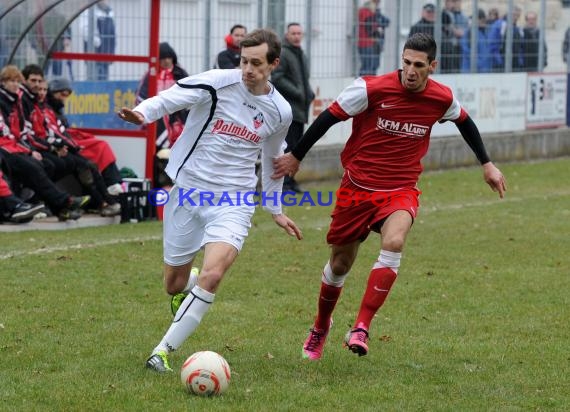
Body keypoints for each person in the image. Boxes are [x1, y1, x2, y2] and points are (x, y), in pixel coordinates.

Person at [272, 33, 506, 360]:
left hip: (400, 190)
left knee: (394, 242)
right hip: (357, 188)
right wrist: (297, 155)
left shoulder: (440, 98)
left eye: (419, 65)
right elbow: (329, 117)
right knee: (340, 265)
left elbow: (464, 122)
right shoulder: (371, 89)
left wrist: (487, 164)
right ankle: (321, 326)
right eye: (407, 62)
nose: (411, 71)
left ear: (432, 67)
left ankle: (361, 326)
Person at [118, 28, 302, 373]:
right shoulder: (218, 82)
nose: (248, 69)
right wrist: (143, 113)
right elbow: (171, 98)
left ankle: (162, 352)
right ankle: (188, 286)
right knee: (173, 284)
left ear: (274, 64)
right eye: (244, 61)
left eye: (257, 63)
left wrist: (275, 208)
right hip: (188, 193)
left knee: (214, 275)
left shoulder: (280, 111)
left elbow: (273, 159)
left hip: (234, 201)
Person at [0, 65, 89, 221]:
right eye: (10, 81)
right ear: (3, 83)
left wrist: (55, 146)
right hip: (8, 148)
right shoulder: (14, 101)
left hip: (16, 146)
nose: (14, 84)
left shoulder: (18, 102)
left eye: (16, 81)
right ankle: (59, 203)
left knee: (58, 164)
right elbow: (13, 133)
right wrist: (43, 148)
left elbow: (22, 132)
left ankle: (55, 206)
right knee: (37, 165)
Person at [135, 42, 189, 186]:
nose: (166, 61)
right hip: (155, 120)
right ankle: (157, 181)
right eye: (163, 58)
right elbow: (140, 97)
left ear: (173, 58)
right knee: (154, 150)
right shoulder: (150, 75)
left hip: (177, 119)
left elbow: (191, 97)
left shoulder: (180, 73)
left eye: (168, 57)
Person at [271, 23, 315, 194]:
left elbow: (304, 80)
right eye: (293, 33)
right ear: (287, 35)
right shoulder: (284, 53)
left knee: (296, 146)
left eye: (299, 33)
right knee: (288, 146)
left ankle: (291, 180)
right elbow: (277, 77)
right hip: (289, 108)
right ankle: (284, 183)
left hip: (300, 108)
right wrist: (298, 92)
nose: (297, 36)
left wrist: (308, 93)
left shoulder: (301, 54)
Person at [81, 0, 116, 80]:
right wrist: (98, 42)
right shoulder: (89, 11)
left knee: (104, 80)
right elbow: (85, 31)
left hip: (106, 53)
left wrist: (111, 51)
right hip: (95, 52)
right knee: (94, 79)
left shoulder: (109, 12)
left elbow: (112, 34)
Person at [357, 0, 389, 76]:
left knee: (369, 67)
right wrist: (378, 30)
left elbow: (386, 21)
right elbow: (370, 29)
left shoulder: (369, 12)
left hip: (367, 44)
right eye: (377, 2)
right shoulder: (367, 12)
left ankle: (366, 84)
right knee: (368, 68)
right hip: (367, 44)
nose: (378, 4)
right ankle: (365, 85)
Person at [461, 9, 492, 73]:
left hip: (484, 71)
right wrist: (479, 64)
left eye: (484, 21)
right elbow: (467, 51)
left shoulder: (485, 32)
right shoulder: (470, 33)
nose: (484, 23)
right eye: (482, 21)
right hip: (470, 71)